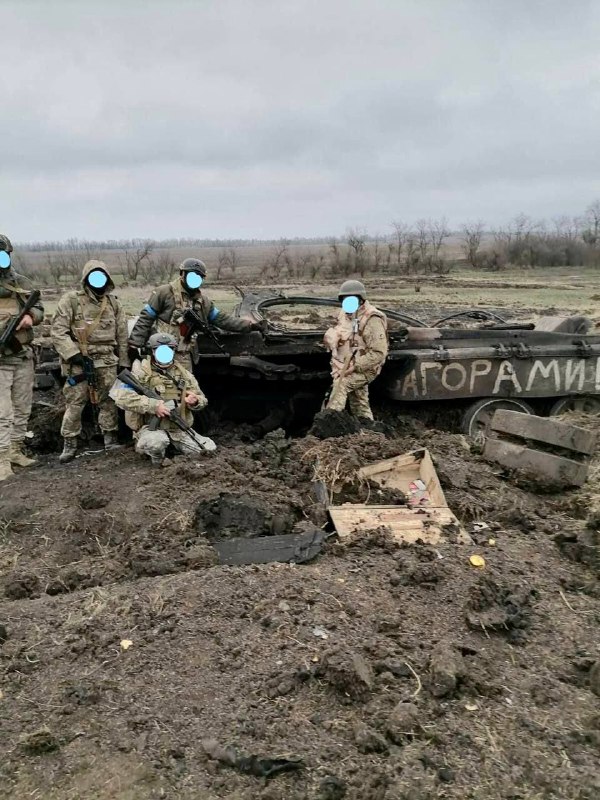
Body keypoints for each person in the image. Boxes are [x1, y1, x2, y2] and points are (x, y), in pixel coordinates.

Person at [51, 260, 128, 463]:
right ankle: (70, 442)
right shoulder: (71, 301)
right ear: (86, 279)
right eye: (93, 276)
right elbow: (58, 332)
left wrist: (124, 362)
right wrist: (74, 355)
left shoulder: (113, 303)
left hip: (107, 361)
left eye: (101, 276)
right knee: (75, 403)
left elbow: (122, 335)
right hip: (79, 362)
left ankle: (110, 438)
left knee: (109, 401)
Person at [128, 258, 266, 367]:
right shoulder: (164, 292)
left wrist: (249, 326)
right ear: (182, 274)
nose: (195, 280)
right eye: (192, 275)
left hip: (184, 355)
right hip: (161, 352)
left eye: (199, 277)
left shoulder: (203, 302)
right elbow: (146, 318)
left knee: (185, 393)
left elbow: (221, 319)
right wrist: (134, 344)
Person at [110, 332, 215, 465]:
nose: (165, 353)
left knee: (208, 449)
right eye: (160, 350)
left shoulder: (184, 374)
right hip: (150, 428)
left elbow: (202, 399)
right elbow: (121, 397)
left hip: (177, 428)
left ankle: (173, 448)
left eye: (169, 349)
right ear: (152, 351)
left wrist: (195, 401)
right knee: (156, 444)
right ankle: (157, 462)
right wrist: (153, 405)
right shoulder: (140, 372)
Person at [0, 234, 45, 481]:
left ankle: (16, 450)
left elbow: (38, 308)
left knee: (22, 408)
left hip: (21, 356)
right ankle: (2, 459)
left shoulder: (19, 282)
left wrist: (31, 317)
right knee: (2, 412)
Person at [323, 280, 388, 421]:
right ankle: (368, 428)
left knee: (342, 383)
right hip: (348, 363)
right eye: (344, 300)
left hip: (366, 367)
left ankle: (329, 422)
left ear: (361, 300)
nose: (347, 304)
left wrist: (354, 367)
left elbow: (378, 353)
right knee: (359, 402)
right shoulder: (345, 314)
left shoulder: (372, 319)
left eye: (351, 300)